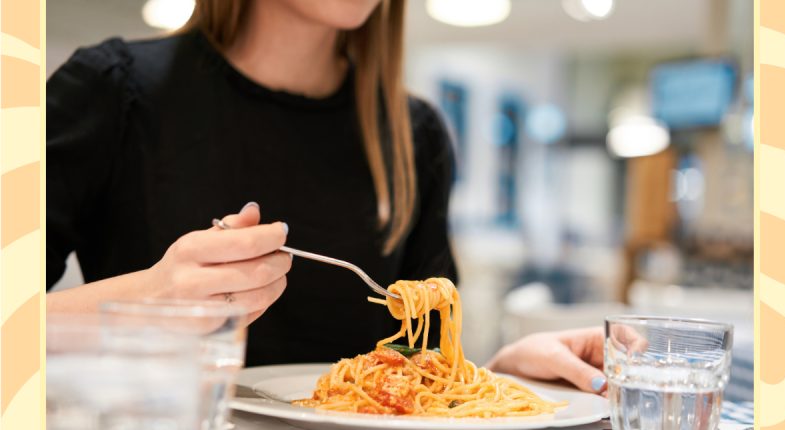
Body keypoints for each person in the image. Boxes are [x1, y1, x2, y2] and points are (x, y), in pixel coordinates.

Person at [46, 0, 608, 393]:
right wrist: (147, 303)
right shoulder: (109, 90)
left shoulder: (415, 135)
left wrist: (498, 380)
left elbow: (418, 370)